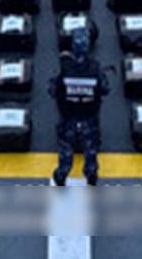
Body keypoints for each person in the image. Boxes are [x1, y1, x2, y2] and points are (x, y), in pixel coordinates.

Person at [48, 28, 110, 186]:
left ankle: (61, 177)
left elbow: (53, 90)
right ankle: (91, 177)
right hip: (89, 119)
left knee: (66, 154)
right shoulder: (95, 69)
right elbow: (105, 89)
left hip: (68, 119)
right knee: (90, 152)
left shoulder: (66, 68)